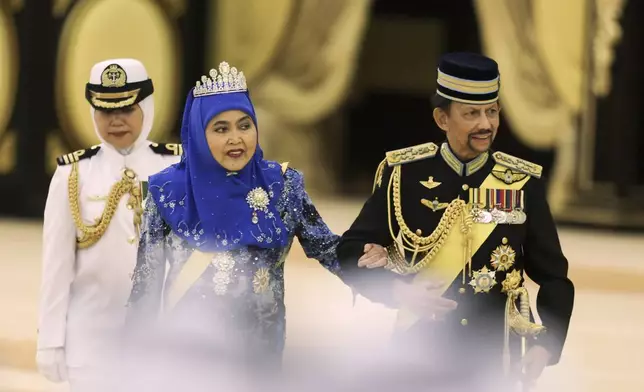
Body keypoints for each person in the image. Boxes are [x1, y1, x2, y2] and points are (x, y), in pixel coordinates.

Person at [337, 52, 575, 390]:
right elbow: (349, 252)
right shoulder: (403, 174)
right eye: (472, 113)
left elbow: (554, 279)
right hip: (416, 354)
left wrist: (544, 344)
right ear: (442, 119)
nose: (486, 124)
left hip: (493, 359)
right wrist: (397, 291)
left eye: (492, 111)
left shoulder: (522, 184)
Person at [123, 61, 342, 386]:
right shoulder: (166, 191)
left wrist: (393, 281)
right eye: (221, 128)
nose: (236, 138)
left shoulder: (283, 187)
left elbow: (332, 251)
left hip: (258, 362)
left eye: (244, 125)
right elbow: (146, 285)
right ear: (198, 133)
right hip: (185, 362)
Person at [36, 58, 182, 391]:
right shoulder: (73, 175)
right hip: (91, 345)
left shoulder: (176, 167)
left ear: (146, 105)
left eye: (127, 109)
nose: (116, 120)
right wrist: (50, 339)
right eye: (105, 110)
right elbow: (56, 267)